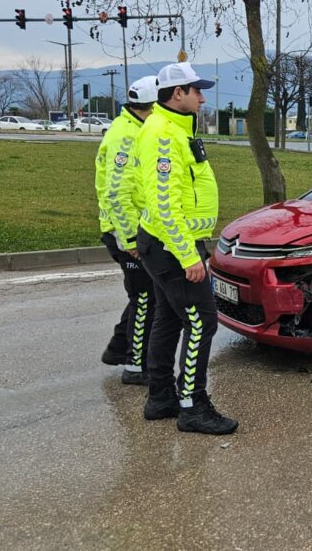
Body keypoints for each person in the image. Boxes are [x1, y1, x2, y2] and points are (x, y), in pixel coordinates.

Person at [135, 62, 237, 435]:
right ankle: (192, 405)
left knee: (168, 318)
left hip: (164, 244)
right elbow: (165, 205)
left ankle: (161, 397)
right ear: (178, 93)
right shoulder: (163, 135)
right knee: (201, 321)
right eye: (197, 90)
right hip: (171, 247)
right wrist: (188, 255)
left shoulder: (177, 128)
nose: (203, 97)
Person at [95, 75, 159, 384]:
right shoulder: (126, 136)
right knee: (146, 297)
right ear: (152, 106)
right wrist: (130, 239)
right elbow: (117, 193)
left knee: (143, 295)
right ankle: (136, 366)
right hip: (126, 232)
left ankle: (118, 347)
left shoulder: (136, 127)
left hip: (133, 229)